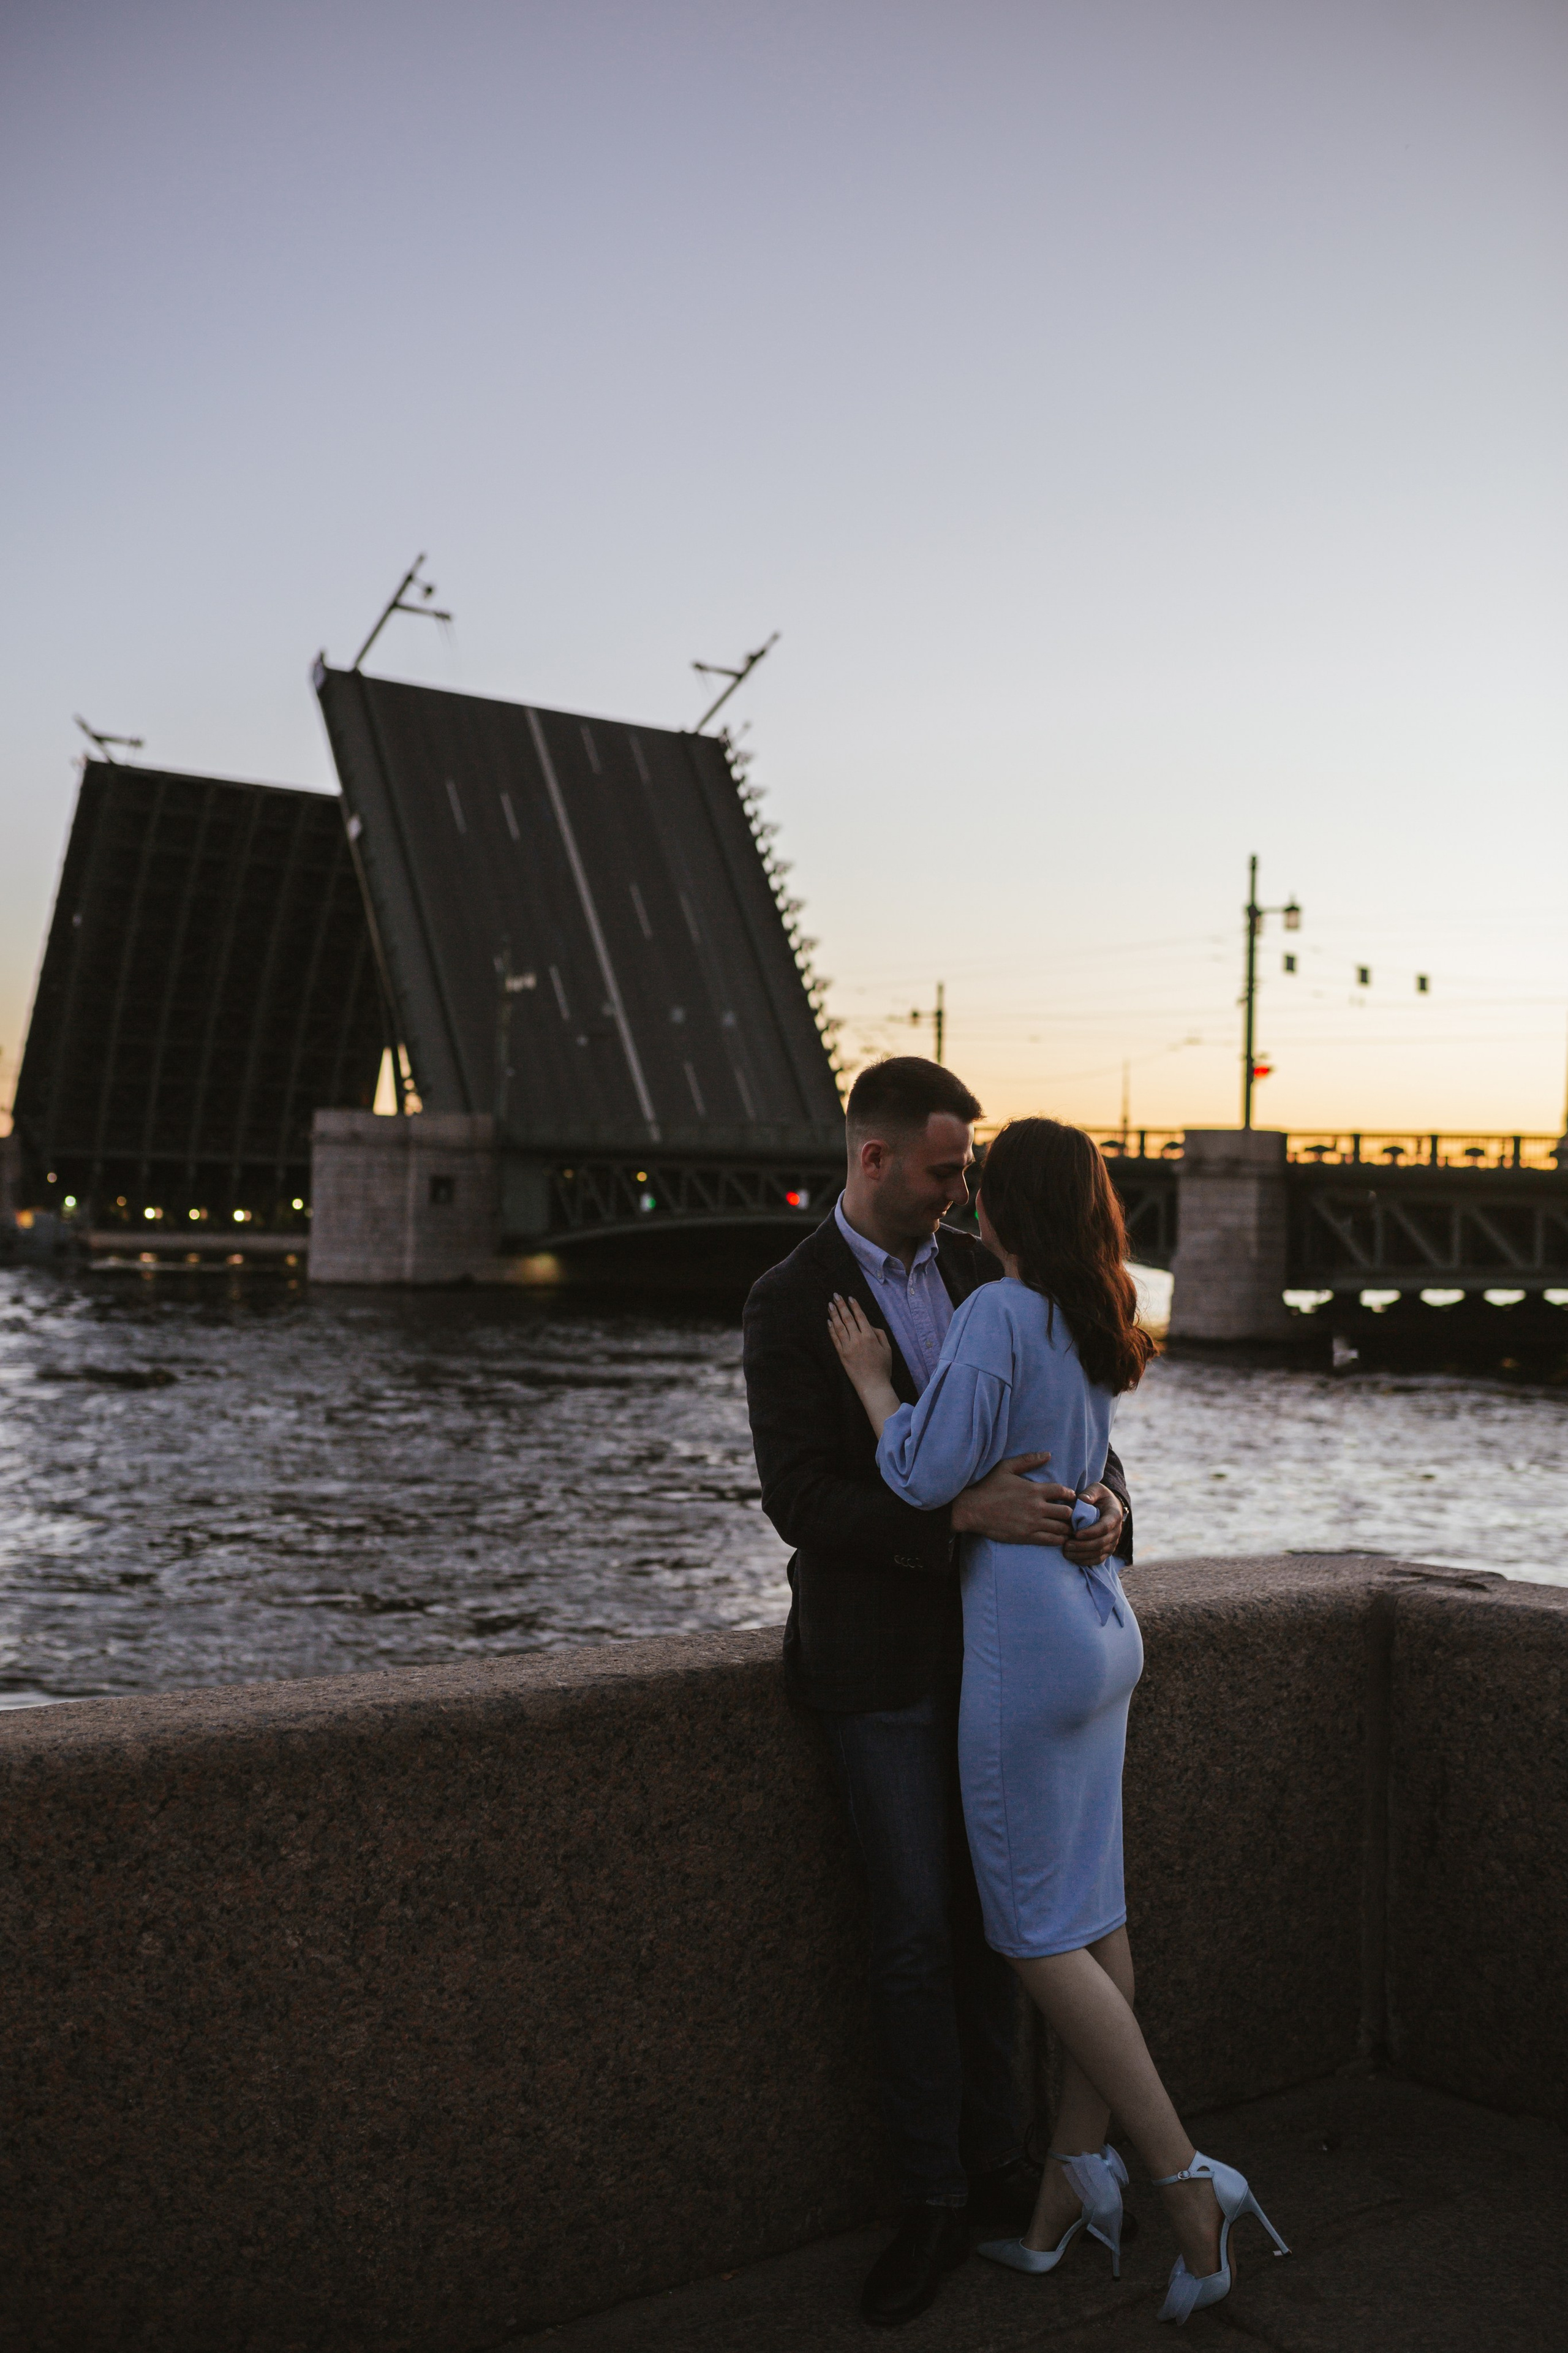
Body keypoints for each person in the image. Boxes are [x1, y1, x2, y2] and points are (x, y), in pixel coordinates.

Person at [827, 1115, 1289, 2327]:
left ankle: (1185, 2183)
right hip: (1103, 1628)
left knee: (1034, 1936)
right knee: (1094, 1921)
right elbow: (1087, 1471)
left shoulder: (996, 1312)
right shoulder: (1094, 1315)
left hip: (1026, 1648)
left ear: (1004, 1208)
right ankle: (1060, 2199)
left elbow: (919, 1474)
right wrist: (1097, 1509)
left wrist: (874, 1382)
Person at [742, 1061, 1133, 2328]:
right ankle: (928, 2200)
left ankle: (1004, 2166)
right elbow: (800, 1496)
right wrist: (958, 1517)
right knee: (914, 1931)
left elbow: (1084, 1434)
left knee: (1004, 1924)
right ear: (874, 1160)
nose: (962, 1191)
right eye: (943, 1170)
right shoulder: (789, 1297)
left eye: (969, 1173)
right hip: (881, 1671)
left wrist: (1107, 1505)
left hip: (1004, 1656)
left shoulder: (989, 1273)